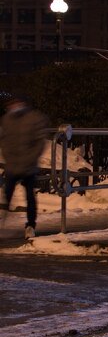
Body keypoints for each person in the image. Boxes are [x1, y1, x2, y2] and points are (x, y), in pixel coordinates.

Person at [1, 94, 51, 240]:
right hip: (13, 164)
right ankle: (2, 222)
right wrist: (8, 156)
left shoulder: (34, 118)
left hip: (28, 165)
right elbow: (4, 141)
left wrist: (31, 158)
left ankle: (30, 225)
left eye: (17, 102)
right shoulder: (7, 119)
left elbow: (40, 143)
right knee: (7, 195)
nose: (14, 106)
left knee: (29, 196)